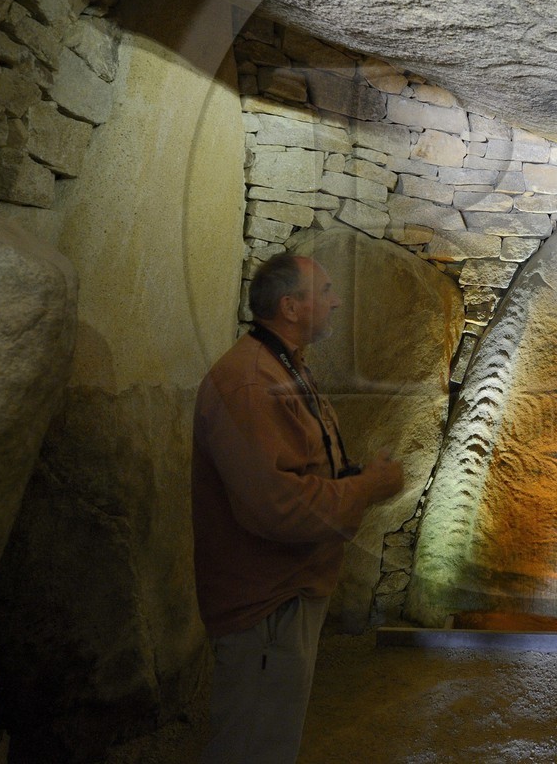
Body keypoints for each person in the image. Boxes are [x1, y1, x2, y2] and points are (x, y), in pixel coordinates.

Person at [191, 253, 404, 764]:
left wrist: (354, 478)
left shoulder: (285, 367)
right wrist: (367, 490)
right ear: (290, 306)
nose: (335, 301)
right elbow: (275, 506)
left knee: (269, 739)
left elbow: (303, 472)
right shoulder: (251, 383)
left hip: (288, 590)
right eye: (325, 291)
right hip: (266, 600)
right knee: (253, 746)